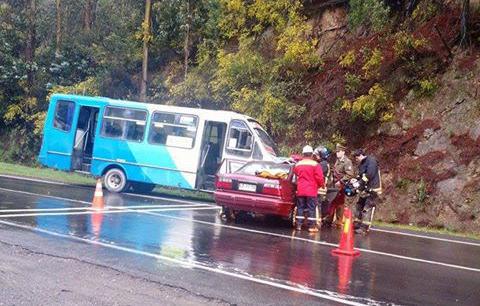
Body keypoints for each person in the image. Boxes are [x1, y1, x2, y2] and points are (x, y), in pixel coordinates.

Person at [293, 145, 325, 232]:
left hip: (300, 189)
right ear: (311, 154)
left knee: (300, 207)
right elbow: (319, 177)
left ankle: (298, 225)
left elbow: (296, 174)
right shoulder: (315, 164)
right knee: (311, 208)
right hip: (311, 190)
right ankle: (311, 226)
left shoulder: (298, 164)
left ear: (303, 154)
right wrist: (321, 185)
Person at [352, 149, 382, 234]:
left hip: (372, 188)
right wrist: (356, 180)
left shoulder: (371, 161)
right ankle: (357, 224)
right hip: (364, 189)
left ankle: (364, 228)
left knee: (367, 208)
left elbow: (370, 174)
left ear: (361, 155)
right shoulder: (362, 163)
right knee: (359, 205)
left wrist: (360, 182)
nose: (356, 159)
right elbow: (361, 174)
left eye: (357, 157)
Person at [326, 143, 355, 228]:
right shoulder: (338, 161)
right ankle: (329, 219)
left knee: (340, 204)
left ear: (343, 152)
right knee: (332, 202)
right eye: (336, 152)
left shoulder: (347, 162)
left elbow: (350, 174)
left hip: (341, 185)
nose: (337, 153)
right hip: (334, 185)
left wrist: (341, 181)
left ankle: (338, 221)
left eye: (339, 152)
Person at [313, 146, 331, 221]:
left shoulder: (323, 164)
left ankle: (317, 222)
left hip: (320, 188)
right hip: (321, 187)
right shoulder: (324, 163)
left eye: (317, 155)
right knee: (318, 205)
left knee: (317, 205)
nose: (316, 156)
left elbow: (317, 175)